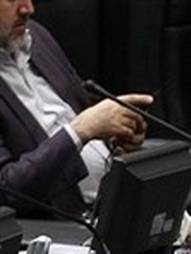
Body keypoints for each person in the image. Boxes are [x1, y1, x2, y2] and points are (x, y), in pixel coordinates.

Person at [0, 0, 152, 213]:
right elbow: (7, 190)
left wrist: (117, 128)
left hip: (118, 198)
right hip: (66, 223)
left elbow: (78, 104)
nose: (28, 9)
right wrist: (79, 131)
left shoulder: (35, 36)